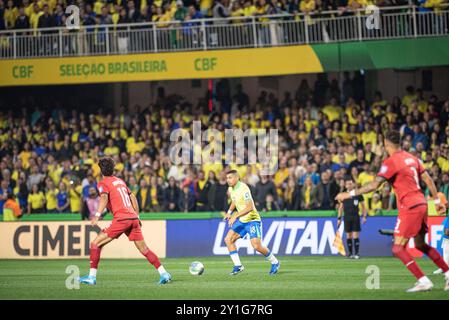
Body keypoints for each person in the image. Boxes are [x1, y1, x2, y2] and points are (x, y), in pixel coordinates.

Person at [336, 130, 449, 292]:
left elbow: (374, 186)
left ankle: (423, 280)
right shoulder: (412, 158)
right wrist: (437, 200)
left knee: (397, 248)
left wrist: (349, 194)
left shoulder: (390, 162)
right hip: (422, 204)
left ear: (386, 144)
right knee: (420, 244)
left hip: (409, 206)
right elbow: (428, 179)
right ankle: (448, 274)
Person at [78, 157, 172, 285]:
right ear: (113, 169)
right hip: (132, 218)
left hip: (122, 219)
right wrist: (137, 216)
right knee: (144, 249)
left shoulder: (103, 183)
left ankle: (91, 277)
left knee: (95, 244)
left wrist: (97, 215)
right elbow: (132, 196)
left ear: (101, 171)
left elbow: (104, 198)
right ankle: (164, 273)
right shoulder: (120, 181)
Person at [223, 170, 280, 275]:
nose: (228, 180)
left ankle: (275, 262)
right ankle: (238, 266)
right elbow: (234, 201)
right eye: (227, 178)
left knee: (256, 246)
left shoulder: (243, 188)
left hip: (252, 220)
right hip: (242, 220)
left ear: (237, 177)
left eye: (230, 178)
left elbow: (249, 207)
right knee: (228, 239)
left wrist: (235, 216)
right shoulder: (232, 189)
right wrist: (229, 212)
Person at [337, 177, 367, 259]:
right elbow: (341, 208)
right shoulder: (343, 195)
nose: (349, 185)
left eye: (351, 184)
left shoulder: (358, 194)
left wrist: (364, 216)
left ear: (353, 184)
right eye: (348, 184)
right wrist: (339, 219)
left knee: (355, 236)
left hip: (355, 217)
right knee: (348, 236)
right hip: (346, 217)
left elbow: (364, 207)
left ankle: (356, 253)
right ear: (346, 185)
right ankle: (350, 253)